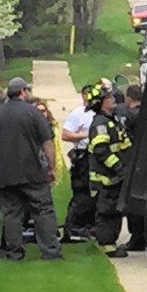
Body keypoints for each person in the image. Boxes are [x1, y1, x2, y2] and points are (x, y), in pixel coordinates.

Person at [0, 77, 63, 261]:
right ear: (23, 92)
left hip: (5, 172)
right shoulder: (33, 113)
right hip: (32, 171)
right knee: (43, 211)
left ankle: (14, 252)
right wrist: (51, 168)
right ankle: (50, 251)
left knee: (12, 213)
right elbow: (47, 142)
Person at [85, 84, 132, 258]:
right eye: (108, 98)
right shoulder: (100, 125)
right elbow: (101, 151)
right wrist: (119, 167)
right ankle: (107, 246)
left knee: (114, 211)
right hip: (105, 179)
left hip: (114, 178)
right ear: (101, 103)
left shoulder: (111, 121)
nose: (112, 100)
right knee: (107, 212)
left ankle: (110, 242)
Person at [61, 85, 96, 242]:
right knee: (82, 192)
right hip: (83, 156)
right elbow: (66, 134)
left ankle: (89, 226)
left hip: (98, 156)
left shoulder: (99, 113)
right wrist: (85, 135)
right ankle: (73, 228)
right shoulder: (78, 114)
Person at [118, 84, 145, 252]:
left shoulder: (131, 116)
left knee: (131, 200)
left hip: (133, 161)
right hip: (146, 160)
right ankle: (143, 236)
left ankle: (136, 237)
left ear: (129, 98)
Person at [34, 99, 67, 178]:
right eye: (38, 111)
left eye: (43, 111)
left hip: (51, 159)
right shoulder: (33, 127)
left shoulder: (52, 125)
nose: (41, 113)